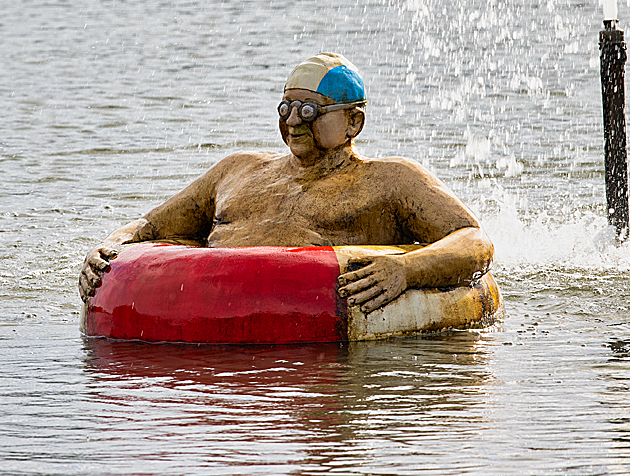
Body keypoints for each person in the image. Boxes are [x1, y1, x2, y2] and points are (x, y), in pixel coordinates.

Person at [78, 53, 493, 313]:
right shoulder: (237, 170)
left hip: (315, 323)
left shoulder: (390, 179)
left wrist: (405, 269)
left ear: (354, 121)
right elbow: (148, 228)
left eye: (310, 111)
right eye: (287, 107)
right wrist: (111, 246)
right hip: (212, 313)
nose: (293, 120)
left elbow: (473, 240)